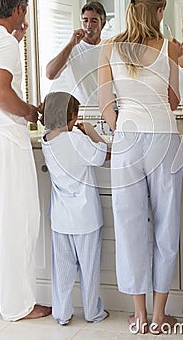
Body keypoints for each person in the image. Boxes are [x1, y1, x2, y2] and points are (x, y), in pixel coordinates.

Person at [98, 0, 183, 334]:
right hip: (164, 136)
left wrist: (125, 127)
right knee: (167, 224)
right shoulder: (171, 47)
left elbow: (106, 106)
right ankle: (161, 314)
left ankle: (140, 316)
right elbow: (175, 100)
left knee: (130, 225)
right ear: (160, 11)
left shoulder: (109, 47)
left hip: (128, 141)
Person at [0, 0, 51, 321]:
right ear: (19, 9)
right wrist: (31, 112)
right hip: (4, 139)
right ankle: (18, 305)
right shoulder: (4, 43)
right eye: (25, 10)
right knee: (18, 220)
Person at [40, 91, 110, 325]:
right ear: (71, 116)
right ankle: (92, 312)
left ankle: (62, 314)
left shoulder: (46, 140)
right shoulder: (78, 140)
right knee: (89, 269)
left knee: (62, 270)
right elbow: (104, 155)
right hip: (86, 218)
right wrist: (91, 132)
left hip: (61, 219)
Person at [46, 1, 106, 105]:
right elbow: (50, 74)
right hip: (82, 112)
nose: (88, 25)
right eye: (85, 20)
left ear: (103, 24)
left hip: (106, 109)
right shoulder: (71, 48)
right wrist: (71, 44)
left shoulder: (108, 47)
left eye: (94, 21)